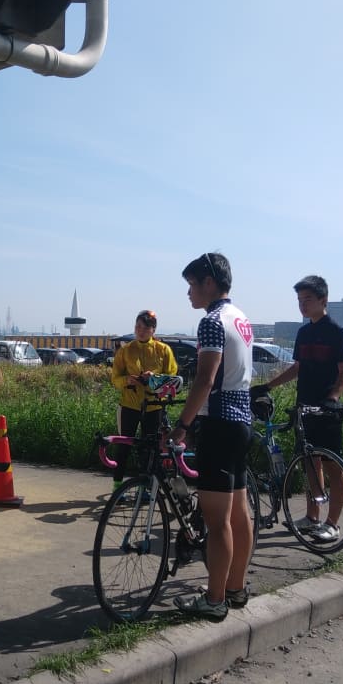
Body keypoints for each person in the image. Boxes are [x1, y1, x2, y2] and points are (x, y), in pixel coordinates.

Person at [169, 252, 254, 621]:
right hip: (242, 422)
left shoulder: (211, 322)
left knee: (217, 519)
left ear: (208, 283)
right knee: (239, 512)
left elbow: (205, 379)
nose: (189, 294)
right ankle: (235, 589)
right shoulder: (241, 318)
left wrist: (182, 426)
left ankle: (215, 599)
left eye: (191, 285)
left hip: (218, 424)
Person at [251, 274, 343, 543]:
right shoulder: (304, 332)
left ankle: (333, 523)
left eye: (308, 299)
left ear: (323, 299)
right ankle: (312, 516)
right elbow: (297, 368)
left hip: (327, 409)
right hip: (303, 405)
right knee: (309, 462)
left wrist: (333, 396)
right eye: (299, 300)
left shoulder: (337, 332)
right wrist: (268, 387)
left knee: (332, 466)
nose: (302, 305)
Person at [109, 310, 178, 493]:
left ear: (153, 330)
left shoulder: (163, 350)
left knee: (149, 449)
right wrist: (127, 380)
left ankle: (145, 489)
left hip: (154, 406)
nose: (140, 331)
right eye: (137, 326)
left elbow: (172, 378)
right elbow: (115, 378)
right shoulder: (125, 350)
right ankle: (117, 487)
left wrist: (154, 377)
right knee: (124, 446)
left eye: (145, 327)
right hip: (130, 405)